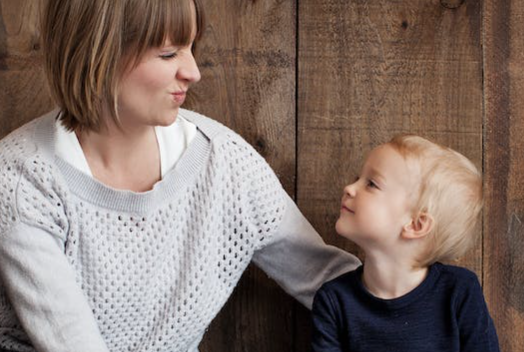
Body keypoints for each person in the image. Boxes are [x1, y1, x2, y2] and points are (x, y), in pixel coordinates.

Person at [0, 0, 360, 351]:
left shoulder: (224, 162)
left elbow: (333, 283)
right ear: (99, 52)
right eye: (169, 53)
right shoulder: (21, 180)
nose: (193, 71)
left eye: (191, 48)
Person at [311, 135, 500, 352]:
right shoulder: (334, 301)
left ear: (416, 224)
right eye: (358, 178)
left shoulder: (459, 291)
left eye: (371, 184)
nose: (349, 188)